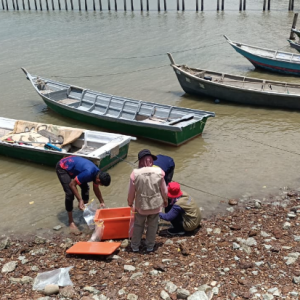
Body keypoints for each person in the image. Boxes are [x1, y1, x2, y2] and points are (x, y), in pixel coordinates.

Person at [127, 149, 168, 252]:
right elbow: (164, 190)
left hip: (141, 206)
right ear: (151, 161)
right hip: (156, 205)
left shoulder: (135, 174)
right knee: (153, 226)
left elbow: (131, 192)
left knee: (138, 225)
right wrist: (165, 200)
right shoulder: (160, 172)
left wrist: (130, 202)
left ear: (140, 161)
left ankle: (135, 246)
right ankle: (150, 246)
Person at [56, 156, 111, 231]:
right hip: (63, 167)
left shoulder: (98, 173)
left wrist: (102, 202)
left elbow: (96, 188)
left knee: (85, 188)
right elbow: (72, 184)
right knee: (70, 194)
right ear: (98, 180)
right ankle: (71, 221)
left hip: (76, 169)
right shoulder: (88, 173)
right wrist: (80, 200)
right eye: (101, 184)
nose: (99, 185)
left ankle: (85, 211)